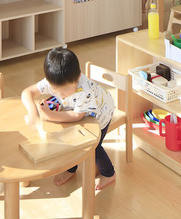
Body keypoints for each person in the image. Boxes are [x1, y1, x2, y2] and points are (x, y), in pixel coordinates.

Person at [21, 48, 116, 191]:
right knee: (69, 141)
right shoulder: (53, 81)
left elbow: (77, 116)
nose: (60, 94)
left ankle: (109, 174)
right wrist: (33, 113)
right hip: (77, 110)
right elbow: (27, 92)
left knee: (94, 147)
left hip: (100, 114)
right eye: (55, 90)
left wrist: (49, 115)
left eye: (65, 90)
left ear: (78, 78)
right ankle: (71, 169)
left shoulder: (84, 91)